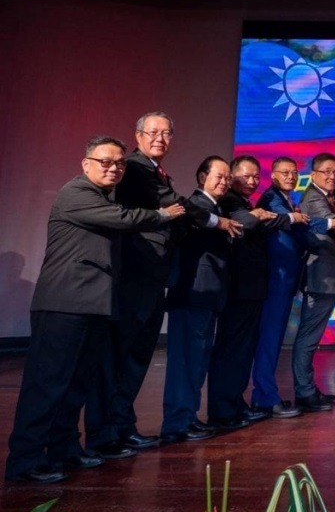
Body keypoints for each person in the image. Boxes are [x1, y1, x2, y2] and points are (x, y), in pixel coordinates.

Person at [6, 136, 184, 483]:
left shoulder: (104, 195)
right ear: (86, 164)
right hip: (64, 304)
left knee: (76, 384)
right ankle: (24, 460)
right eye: (105, 161)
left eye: (119, 163)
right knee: (47, 384)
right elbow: (121, 218)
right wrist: (163, 213)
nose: (114, 168)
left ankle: (65, 449)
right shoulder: (77, 193)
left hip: (94, 305)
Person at [87, 112, 240, 458]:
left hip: (155, 279)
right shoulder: (137, 168)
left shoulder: (154, 170)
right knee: (119, 358)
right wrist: (217, 221)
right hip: (134, 278)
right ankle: (104, 434)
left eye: (167, 133)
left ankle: (122, 428)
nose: (160, 138)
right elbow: (177, 207)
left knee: (137, 358)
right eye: (153, 132)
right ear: (138, 135)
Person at [206, 156, 289, 429]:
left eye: (256, 177)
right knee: (231, 350)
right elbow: (245, 223)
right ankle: (223, 410)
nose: (252, 182)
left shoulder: (244, 202)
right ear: (232, 176)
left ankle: (235, 404)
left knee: (242, 351)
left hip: (252, 290)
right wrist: (259, 215)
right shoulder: (230, 200)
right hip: (238, 290)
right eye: (245, 176)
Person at [161, 156, 234, 443]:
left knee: (198, 360)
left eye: (228, 177)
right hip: (193, 294)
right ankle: (178, 423)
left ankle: (188, 417)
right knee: (185, 361)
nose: (225, 181)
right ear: (202, 176)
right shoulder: (197, 207)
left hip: (208, 297)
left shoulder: (215, 207)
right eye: (219, 175)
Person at [291, 153, 335, 412]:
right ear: (314, 175)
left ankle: (308, 390)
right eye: (327, 172)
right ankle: (305, 392)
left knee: (311, 337)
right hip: (319, 278)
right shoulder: (313, 198)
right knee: (308, 338)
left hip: (326, 278)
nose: (333, 176)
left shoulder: (325, 196)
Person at [248, 157, 311, 419]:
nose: (291, 176)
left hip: (285, 280)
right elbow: (283, 220)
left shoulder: (287, 199)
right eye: (285, 172)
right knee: (269, 340)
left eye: (294, 173)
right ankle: (265, 398)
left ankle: (265, 395)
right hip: (275, 279)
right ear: (273, 176)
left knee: (273, 341)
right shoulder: (271, 198)